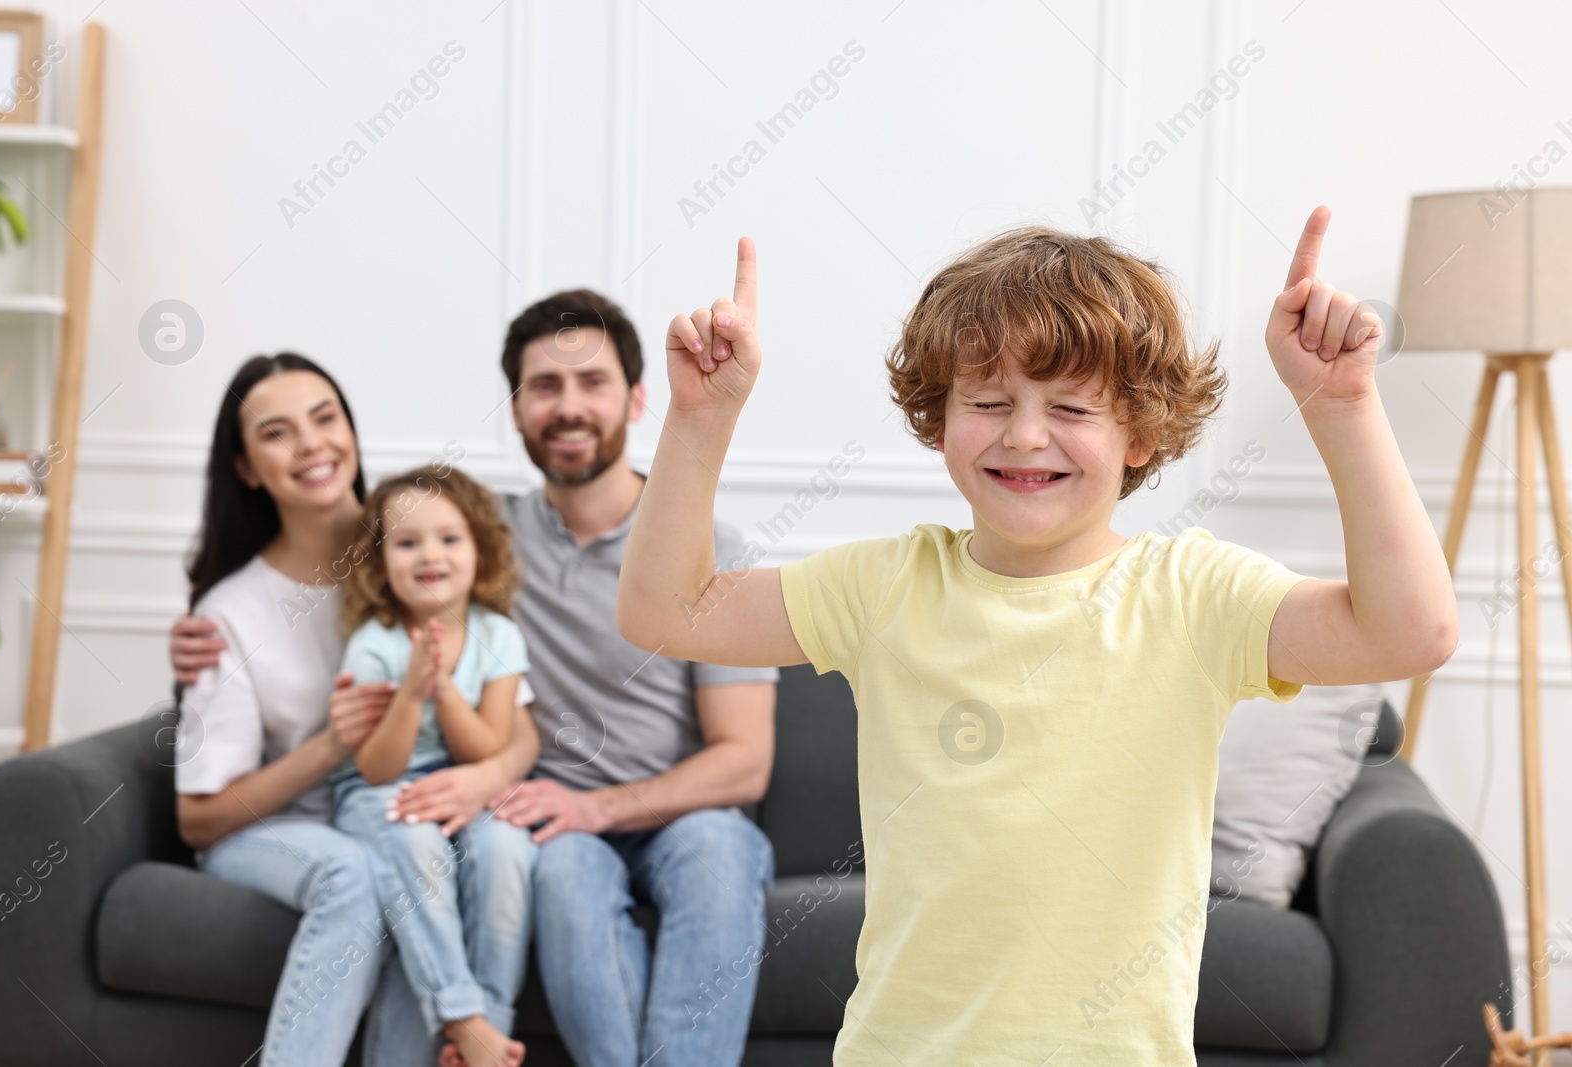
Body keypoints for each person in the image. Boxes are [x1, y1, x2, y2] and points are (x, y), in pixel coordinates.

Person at [612, 214, 1460, 1063]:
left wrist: (1343, 406)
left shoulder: (1196, 595)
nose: (1023, 434)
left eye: (1070, 407)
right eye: (988, 401)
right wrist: (699, 418)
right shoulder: (879, 587)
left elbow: (1411, 632)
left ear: (1142, 432)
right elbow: (665, 612)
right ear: (938, 420)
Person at [175, 290, 781, 1067]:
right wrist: (202, 626)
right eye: (543, 386)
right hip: (544, 819)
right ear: (517, 408)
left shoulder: (711, 548)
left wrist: (595, 805)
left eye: (592, 381)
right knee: (553, 866)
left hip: (673, 816)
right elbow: (353, 540)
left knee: (718, 850)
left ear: (636, 398)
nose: (568, 407)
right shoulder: (481, 535)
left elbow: (745, 760)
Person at [170, 353, 540, 1067]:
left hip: (399, 805)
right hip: (280, 827)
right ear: (247, 467)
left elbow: (516, 725)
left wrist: (482, 779)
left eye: (325, 417)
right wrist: (328, 748)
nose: (311, 444)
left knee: (439, 862)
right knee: (365, 871)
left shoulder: (417, 546)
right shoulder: (231, 615)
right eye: (277, 432)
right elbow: (200, 818)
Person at [329, 465, 536, 1067]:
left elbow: (487, 748)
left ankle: (484, 1031)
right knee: (416, 844)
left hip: (466, 780)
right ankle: (462, 1017)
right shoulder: (374, 642)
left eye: (449, 538)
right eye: (407, 541)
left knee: (508, 853)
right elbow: (374, 767)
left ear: (481, 550)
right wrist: (410, 693)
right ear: (380, 560)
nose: (430, 555)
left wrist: (442, 686)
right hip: (382, 791)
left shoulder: (500, 635)